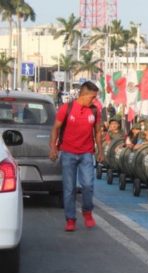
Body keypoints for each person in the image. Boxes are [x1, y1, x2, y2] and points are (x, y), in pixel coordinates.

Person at [48, 81, 104, 231]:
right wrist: (53, 147)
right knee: (69, 188)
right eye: (92, 97)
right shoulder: (67, 108)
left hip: (86, 153)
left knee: (87, 185)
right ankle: (70, 219)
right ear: (83, 95)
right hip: (68, 153)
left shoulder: (94, 111)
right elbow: (56, 128)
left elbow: (98, 132)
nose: (94, 101)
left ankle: (87, 211)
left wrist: (101, 151)